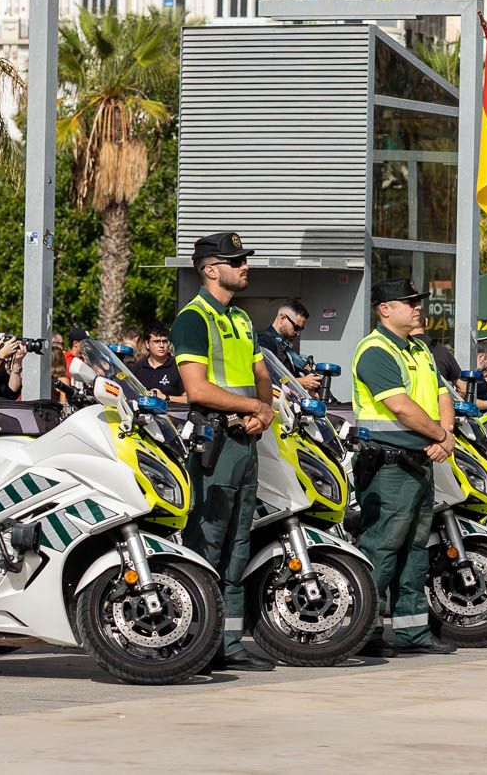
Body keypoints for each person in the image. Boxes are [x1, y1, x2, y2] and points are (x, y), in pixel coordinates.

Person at [172, 231, 276, 670]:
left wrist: (264, 409)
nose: (244, 266)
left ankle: (229, 644)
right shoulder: (193, 319)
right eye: (236, 261)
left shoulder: (242, 319)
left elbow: (260, 372)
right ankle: (203, 641)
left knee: (237, 544)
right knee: (208, 542)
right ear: (211, 270)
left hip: (245, 439)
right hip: (214, 442)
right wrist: (252, 405)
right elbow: (197, 388)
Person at [351, 275, 457, 656]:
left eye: (417, 302)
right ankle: (366, 633)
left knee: (415, 548)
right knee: (382, 547)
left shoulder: (419, 349)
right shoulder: (376, 349)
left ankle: (413, 631)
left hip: (419, 461)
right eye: (409, 302)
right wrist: (440, 437)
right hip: (389, 465)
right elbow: (399, 406)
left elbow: (444, 394)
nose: (417, 308)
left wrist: (445, 433)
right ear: (384, 309)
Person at [254, 299, 321, 391]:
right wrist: (301, 382)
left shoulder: (283, 344)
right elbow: (267, 379)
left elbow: (287, 375)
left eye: (301, 329)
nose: (298, 333)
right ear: (282, 318)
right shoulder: (265, 342)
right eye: (296, 327)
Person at [130, 325, 184, 399]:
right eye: (157, 341)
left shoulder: (178, 367)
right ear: (147, 344)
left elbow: (189, 398)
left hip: (171, 410)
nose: (161, 345)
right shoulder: (137, 368)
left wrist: (166, 398)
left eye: (164, 341)